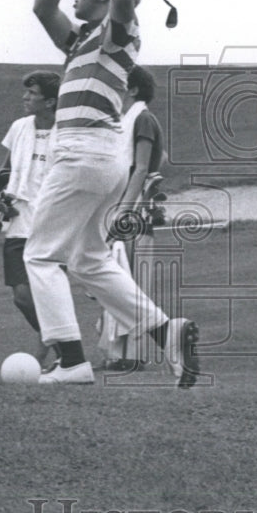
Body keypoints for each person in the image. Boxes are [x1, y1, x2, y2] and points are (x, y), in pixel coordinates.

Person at [24, 0, 199, 387]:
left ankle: (71, 360)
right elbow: (42, 7)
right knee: (90, 260)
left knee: (41, 257)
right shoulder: (81, 40)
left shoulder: (119, 31)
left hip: (82, 152)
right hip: (100, 159)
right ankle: (167, 333)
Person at [99, 64, 166, 370]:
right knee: (118, 278)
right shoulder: (129, 121)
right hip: (121, 206)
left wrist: (124, 209)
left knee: (133, 281)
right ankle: (118, 354)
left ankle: (133, 356)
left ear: (134, 89)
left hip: (133, 209)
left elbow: (141, 167)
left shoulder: (142, 119)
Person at [0, 70, 61, 370]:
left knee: (45, 295)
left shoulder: (67, 133)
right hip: (19, 223)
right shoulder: (19, 127)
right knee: (22, 297)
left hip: (52, 225)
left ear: (50, 102)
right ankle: (61, 344)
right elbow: (4, 172)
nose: (25, 98)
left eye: (32, 94)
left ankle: (53, 355)